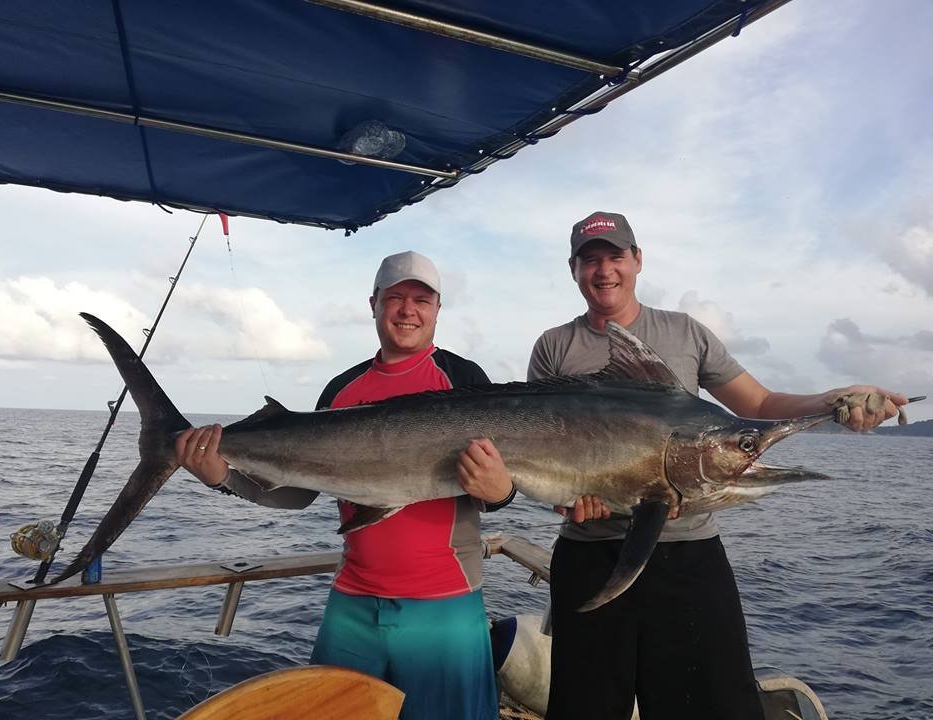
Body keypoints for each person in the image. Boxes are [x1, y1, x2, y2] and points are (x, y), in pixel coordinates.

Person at [530, 211, 908, 720]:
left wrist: (832, 400)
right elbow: (538, 451)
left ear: (637, 260)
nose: (604, 271)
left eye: (615, 256)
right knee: (586, 708)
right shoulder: (555, 347)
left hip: (689, 557)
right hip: (588, 556)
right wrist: (566, 500)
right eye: (590, 260)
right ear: (573, 269)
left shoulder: (685, 332)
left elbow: (761, 405)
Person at [175, 250, 515, 720]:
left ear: (438, 309)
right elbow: (297, 493)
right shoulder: (341, 388)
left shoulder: (464, 379)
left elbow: (492, 485)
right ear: (373, 303)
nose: (407, 309)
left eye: (421, 299)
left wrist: (503, 493)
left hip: (445, 604)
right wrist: (222, 476)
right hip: (352, 601)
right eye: (395, 297)